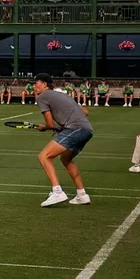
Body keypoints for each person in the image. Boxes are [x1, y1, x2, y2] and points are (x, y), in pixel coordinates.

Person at [33, 71, 92, 206]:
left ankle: (57, 192)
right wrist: (63, 127)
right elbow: (85, 112)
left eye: (35, 84)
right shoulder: (62, 95)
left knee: (44, 156)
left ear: (44, 84)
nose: (34, 87)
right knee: (66, 159)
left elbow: (50, 124)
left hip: (75, 129)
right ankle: (82, 195)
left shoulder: (42, 97)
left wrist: (44, 128)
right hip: (87, 130)